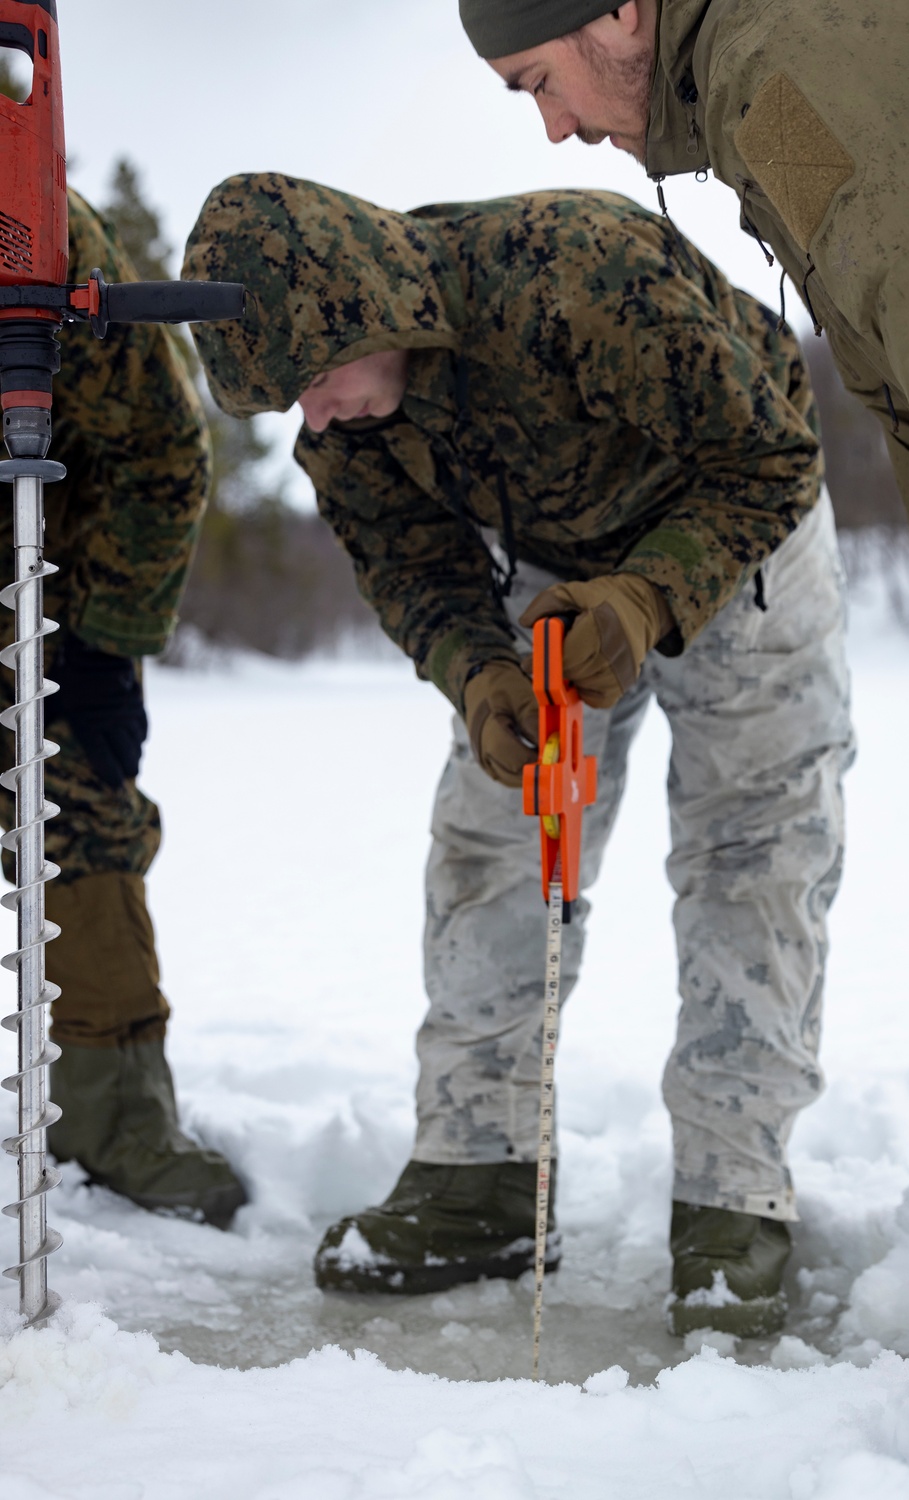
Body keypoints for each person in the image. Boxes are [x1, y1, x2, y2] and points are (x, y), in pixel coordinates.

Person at [184, 172, 853, 1334]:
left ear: (357, 311)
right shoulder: (344, 435)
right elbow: (415, 571)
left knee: (754, 851)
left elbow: (771, 458)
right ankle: (479, 1175)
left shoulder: (575, 271)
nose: (317, 416)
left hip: (739, 541)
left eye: (312, 380)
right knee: (495, 842)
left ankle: (732, 1198)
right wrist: (478, 673)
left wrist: (647, 598)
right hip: (542, 568)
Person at [457, 0, 909, 784]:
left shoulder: (792, 53)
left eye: (539, 83)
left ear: (618, 13)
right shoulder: (755, 81)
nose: (554, 127)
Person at [0, 189, 247, 1228]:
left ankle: (110, 1114)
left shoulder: (29, 223)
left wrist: (104, 637)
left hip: (39, 558)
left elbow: (160, 446)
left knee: (78, 811)